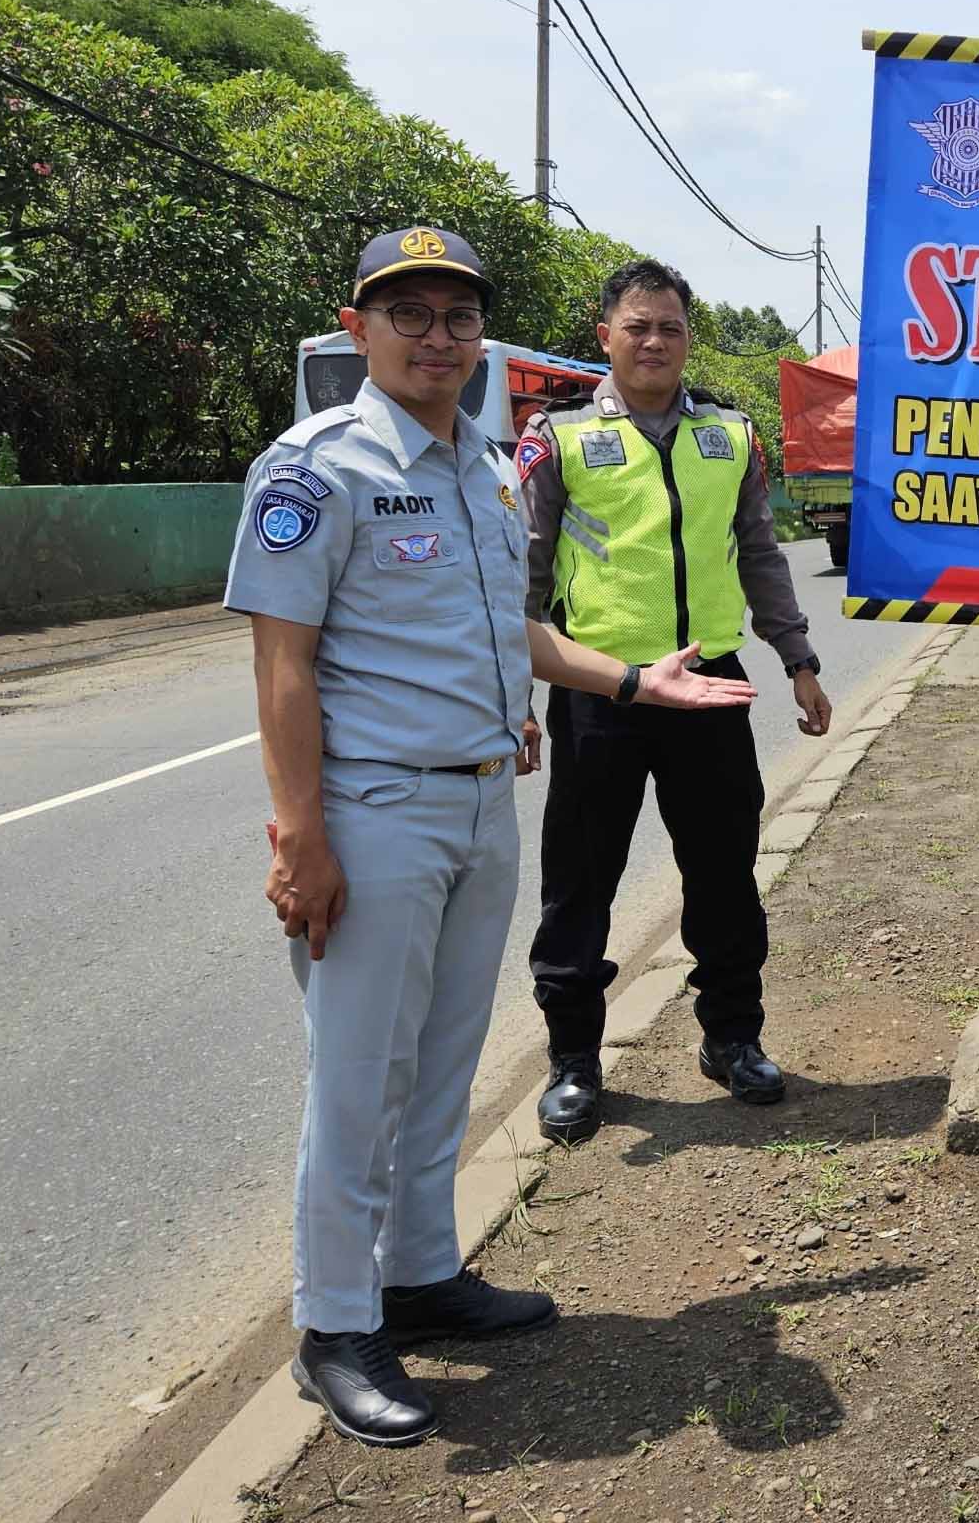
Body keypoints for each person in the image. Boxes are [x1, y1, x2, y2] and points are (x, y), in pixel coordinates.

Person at [228, 227, 755, 1448]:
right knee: (359, 1077)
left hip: (477, 798)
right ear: (358, 330)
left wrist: (632, 682)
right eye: (407, 314)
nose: (438, 338)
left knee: (446, 1060)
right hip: (372, 808)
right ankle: (334, 1325)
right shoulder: (317, 469)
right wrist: (300, 833)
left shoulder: (484, 464)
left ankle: (419, 1275)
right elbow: (282, 666)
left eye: (458, 318)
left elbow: (509, 632)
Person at [520, 259, 833, 1144]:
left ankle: (733, 1037)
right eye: (638, 326)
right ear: (605, 335)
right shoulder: (560, 437)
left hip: (712, 689)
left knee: (725, 873)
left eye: (671, 327)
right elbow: (526, 581)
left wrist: (799, 661)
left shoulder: (730, 436)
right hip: (599, 691)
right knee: (579, 885)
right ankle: (574, 1059)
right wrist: (519, 698)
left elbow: (761, 555)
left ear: (689, 339)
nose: (654, 341)